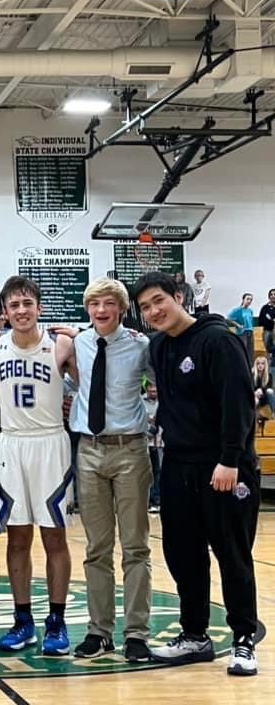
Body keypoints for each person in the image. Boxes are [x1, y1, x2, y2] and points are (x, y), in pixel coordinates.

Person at [134, 271, 259, 676]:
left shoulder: (218, 339)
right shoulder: (159, 346)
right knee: (183, 554)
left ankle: (243, 639)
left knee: (232, 554)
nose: (154, 311)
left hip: (224, 465)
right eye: (145, 307)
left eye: (159, 301)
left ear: (179, 296)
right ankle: (195, 635)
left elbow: (238, 403)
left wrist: (230, 459)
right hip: (179, 465)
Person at [0, 276, 76, 657]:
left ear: (39, 307)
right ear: (5, 311)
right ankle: (23, 620)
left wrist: (72, 403)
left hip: (51, 442)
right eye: (14, 305)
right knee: (18, 537)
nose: (21, 310)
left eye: (27, 303)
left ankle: (57, 619)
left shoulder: (62, 344)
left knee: (54, 537)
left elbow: (86, 383)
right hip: (12, 444)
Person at [66, 278, 154, 663]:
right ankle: (99, 631)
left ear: (121, 309)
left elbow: (166, 377)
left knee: (135, 546)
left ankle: (136, 633)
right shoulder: (77, 342)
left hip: (130, 449)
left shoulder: (141, 345)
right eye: (94, 304)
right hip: (88, 450)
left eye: (108, 304)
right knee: (96, 549)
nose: (100, 310)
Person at [143, 382, 162, 512]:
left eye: (156, 391)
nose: (153, 393)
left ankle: (157, 500)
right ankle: (147, 500)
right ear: (147, 389)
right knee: (146, 473)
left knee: (159, 471)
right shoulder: (140, 401)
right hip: (145, 443)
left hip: (160, 442)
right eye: (151, 391)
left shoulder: (163, 400)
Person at [258, 289, 275, 361]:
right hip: (267, 331)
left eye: (274, 294)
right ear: (269, 296)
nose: (273, 296)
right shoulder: (265, 307)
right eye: (271, 294)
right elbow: (260, 321)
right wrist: (271, 320)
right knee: (268, 349)